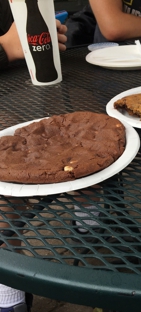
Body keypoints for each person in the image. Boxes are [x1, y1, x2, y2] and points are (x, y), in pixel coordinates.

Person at [0, 0, 67, 311]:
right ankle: (8, 293)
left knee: (73, 128)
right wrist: (4, 47)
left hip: (24, 88)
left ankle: (89, 219)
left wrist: (56, 35)